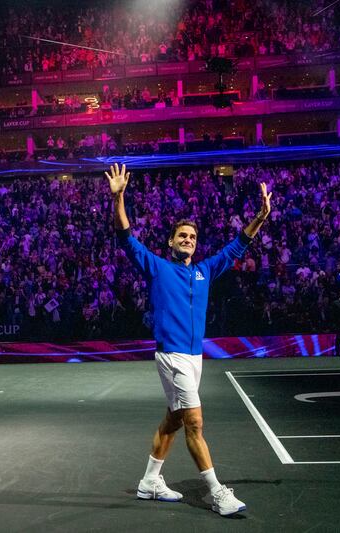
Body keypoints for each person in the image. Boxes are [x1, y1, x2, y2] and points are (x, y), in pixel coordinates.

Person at [107, 162, 271, 516]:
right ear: (171, 241)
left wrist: (260, 216)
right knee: (194, 422)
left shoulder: (205, 270)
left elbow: (237, 246)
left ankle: (150, 481)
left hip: (195, 358)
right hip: (173, 356)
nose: (188, 240)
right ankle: (216, 492)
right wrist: (119, 198)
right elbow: (126, 238)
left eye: (193, 237)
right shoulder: (157, 267)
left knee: (174, 419)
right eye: (182, 235)